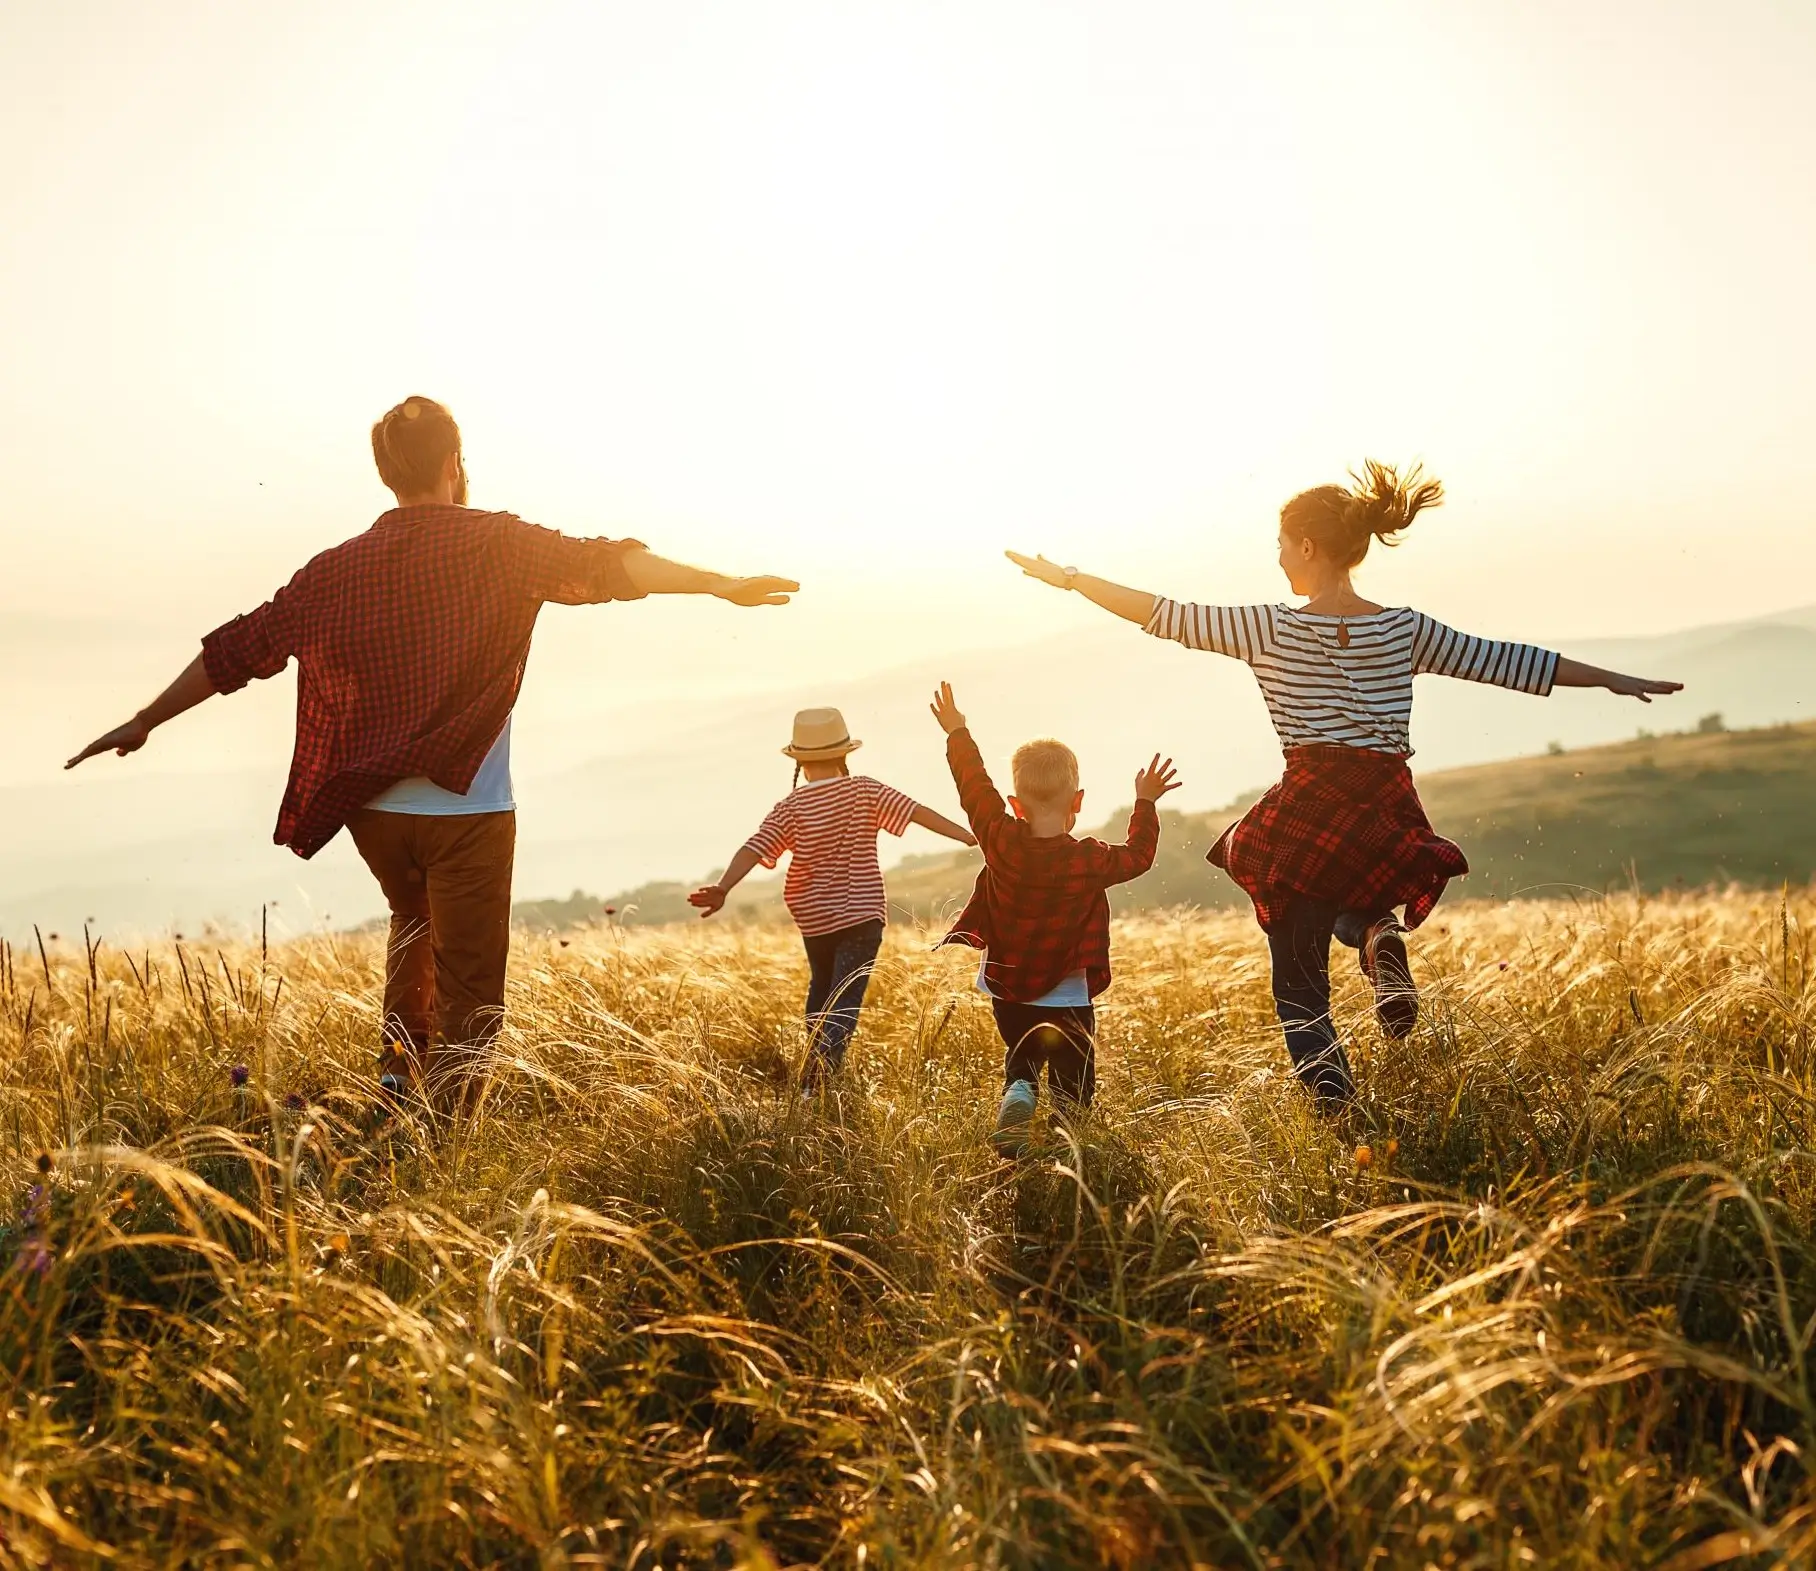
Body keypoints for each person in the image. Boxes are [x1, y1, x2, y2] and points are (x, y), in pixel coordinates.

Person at [68, 396, 798, 1114]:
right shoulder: (499, 544)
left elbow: (240, 648)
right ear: (455, 463)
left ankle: (396, 1083)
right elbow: (609, 565)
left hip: (373, 814)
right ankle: (444, 1132)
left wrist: (145, 719)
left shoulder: (334, 570)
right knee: (471, 981)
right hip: (468, 811)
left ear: (388, 473)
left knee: (412, 925)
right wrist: (718, 584)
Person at [1006, 460, 1681, 1107]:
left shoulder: (1269, 626)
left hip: (1310, 804)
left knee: (1299, 989)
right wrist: (1614, 679)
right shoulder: (1404, 627)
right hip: (1386, 803)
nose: (1276, 558)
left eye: (1280, 544)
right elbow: (1506, 661)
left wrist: (1070, 579)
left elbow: (1162, 613)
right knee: (1350, 894)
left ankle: (1338, 1112)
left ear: (1306, 544)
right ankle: (1376, 937)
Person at [927, 681, 1179, 1156]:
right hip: (1068, 990)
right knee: (1073, 1077)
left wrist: (957, 732)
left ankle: (1019, 1089)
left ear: (1015, 804)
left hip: (1007, 984)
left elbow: (974, 788)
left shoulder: (999, 839)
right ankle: (1068, 1147)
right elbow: (1139, 856)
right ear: (1078, 802)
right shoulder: (1088, 859)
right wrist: (1144, 802)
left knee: (1023, 1053)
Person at [688, 707, 976, 1089]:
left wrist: (723, 887)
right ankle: (819, 1078)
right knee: (845, 999)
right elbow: (917, 812)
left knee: (821, 990)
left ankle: (811, 1077)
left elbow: (754, 848)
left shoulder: (790, 807)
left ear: (800, 762)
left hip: (814, 918)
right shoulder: (865, 790)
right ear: (844, 754)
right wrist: (968, 835)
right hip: (861, 914)